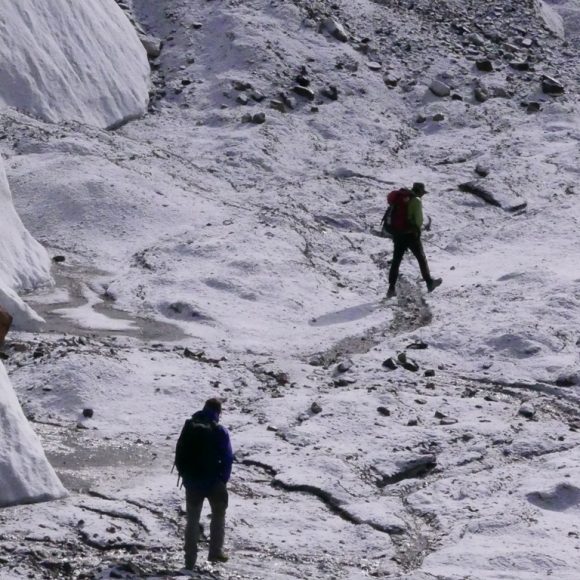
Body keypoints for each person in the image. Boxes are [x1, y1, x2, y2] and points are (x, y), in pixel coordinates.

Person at [176, 398, 234, 570]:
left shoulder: (189, 427)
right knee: (218, 513)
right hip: (214, 481)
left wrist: (185, 476)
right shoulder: (219, 431)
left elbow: (179, 451)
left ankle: (189, 560)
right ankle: (215, 551)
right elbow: (228, 458)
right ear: (218, 412)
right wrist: (223, 479)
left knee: (192, 519)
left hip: (192, 481)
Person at [387, 182, 441, 298]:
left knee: (396, 260)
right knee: (421, 258)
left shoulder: (402, 198)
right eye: (423, 193)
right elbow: (418, 221)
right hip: (411, 235)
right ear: (420, 192)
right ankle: (429, 283)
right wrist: (417, 229)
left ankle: (391, 288)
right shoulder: (416, 200)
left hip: (398, 234)